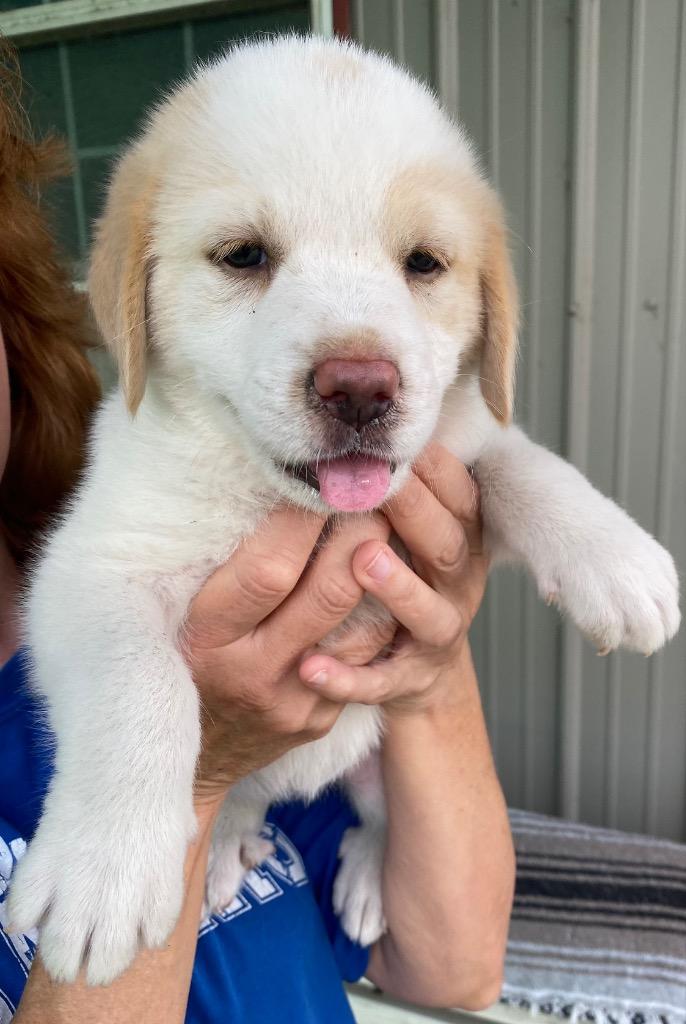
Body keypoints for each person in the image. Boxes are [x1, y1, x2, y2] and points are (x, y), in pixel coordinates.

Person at [0, 39, 515, 1023]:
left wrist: (423, 658)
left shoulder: (213, 515)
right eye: (245, 256)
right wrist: (183, 781)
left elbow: (449, 971)